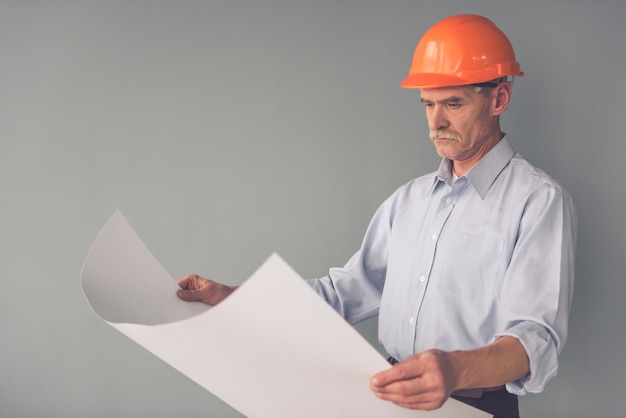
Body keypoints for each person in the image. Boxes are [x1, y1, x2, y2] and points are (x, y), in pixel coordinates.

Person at [176, 14, 577, 418]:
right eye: (428, 104)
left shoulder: (538, 201)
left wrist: (455, 369)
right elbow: (340, 295)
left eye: (453, 103)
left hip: (477, 408)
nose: (436, 122)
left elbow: (534, 340)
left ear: (499, 99)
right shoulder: (409, 201)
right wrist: (236, 299)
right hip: (389, 404)